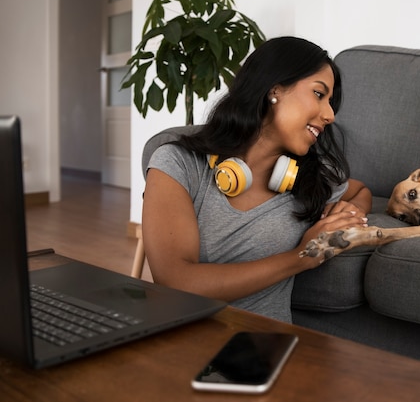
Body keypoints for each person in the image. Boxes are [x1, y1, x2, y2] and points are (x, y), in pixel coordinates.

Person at [142, 36, 372, 323]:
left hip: (265, 352)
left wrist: (351, 211)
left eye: (330, 102)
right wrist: (302, 256)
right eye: (318, 94)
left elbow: (361, 189)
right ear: (274, 89)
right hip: (183, 349)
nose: (330, 115)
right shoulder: (178, 164)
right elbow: (176, 282)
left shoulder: (313, 179)